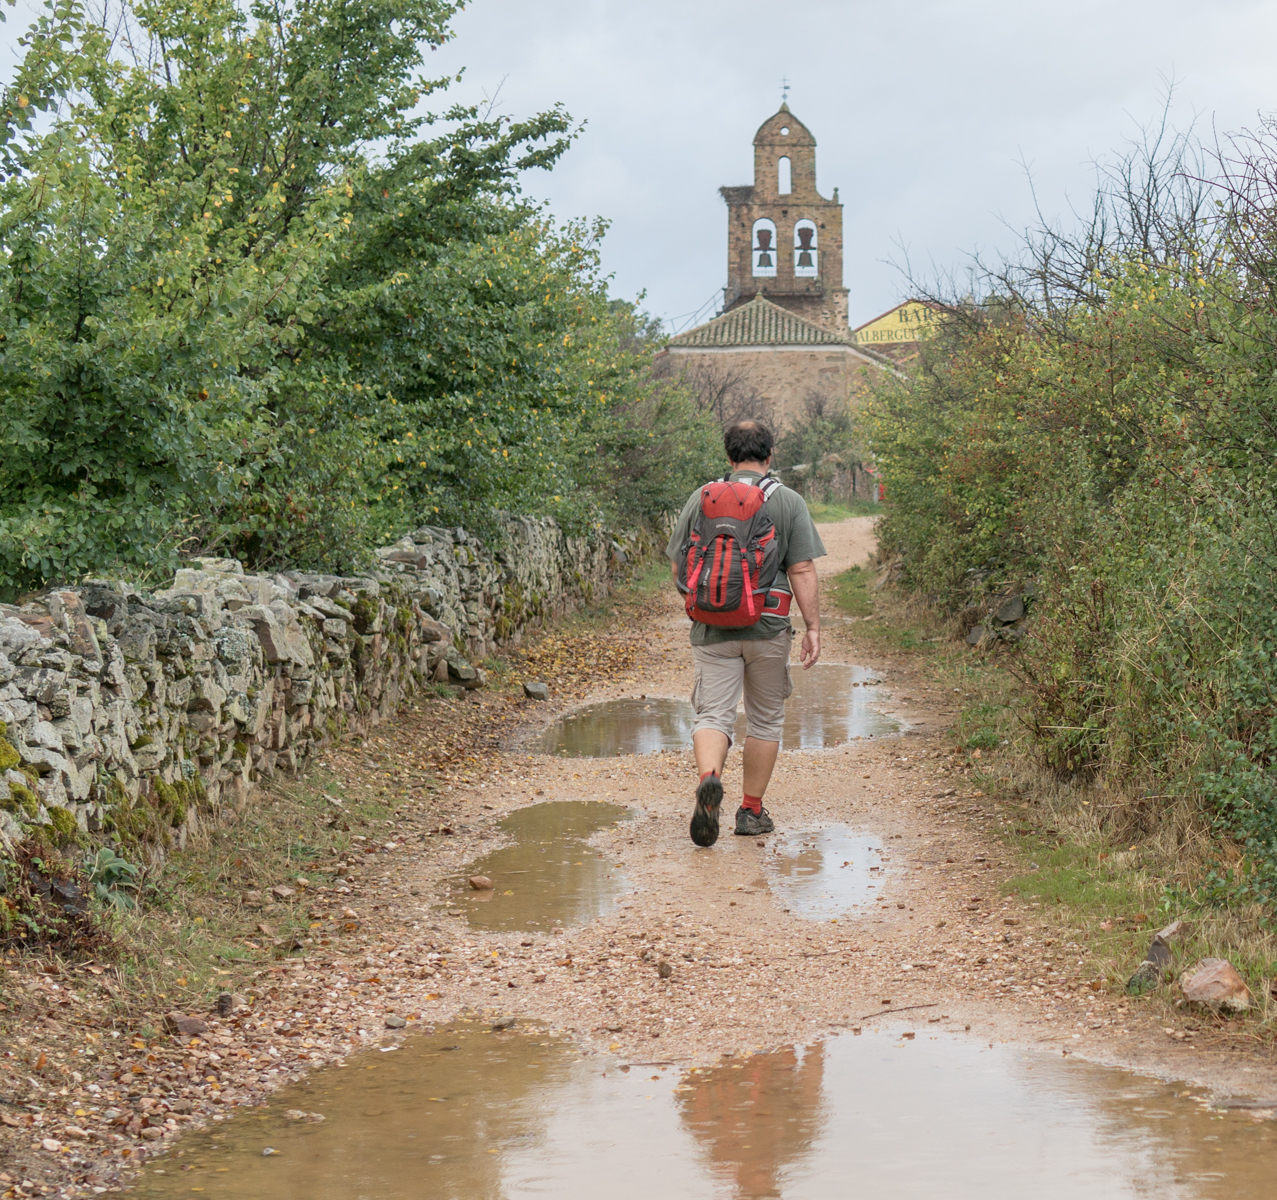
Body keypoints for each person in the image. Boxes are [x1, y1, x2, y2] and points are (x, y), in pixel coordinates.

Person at [667, 420, 825, 844]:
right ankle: (751, 812)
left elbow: (679, 566)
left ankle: (709, 777)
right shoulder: (788, 501)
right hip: (769, 626)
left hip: (712, 628)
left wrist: (703, 604)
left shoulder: (700, 498)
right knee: (766, 720)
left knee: (712, 715)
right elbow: (802, 568)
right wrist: (812, 626)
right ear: (769, 456)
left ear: (729, 456)